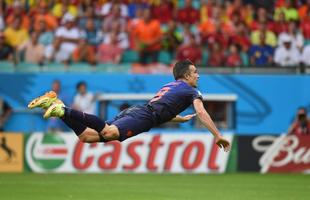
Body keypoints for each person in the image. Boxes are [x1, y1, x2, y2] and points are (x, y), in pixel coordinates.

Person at [27, 60, 230, 151]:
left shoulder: (172, 85)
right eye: (195, 72)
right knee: (109, 133)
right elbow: (202, 113)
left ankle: (57, 106)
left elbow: (162, 110)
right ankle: (63, 110)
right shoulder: (192, 91)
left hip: (138, 111)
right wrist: (217, 135)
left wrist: (177, 117)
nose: (198, 75)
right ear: (186, 76)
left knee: (87, 137)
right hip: (144, 116)